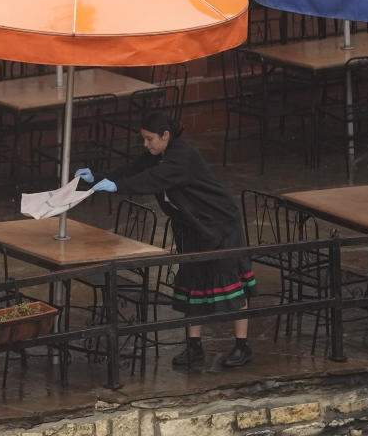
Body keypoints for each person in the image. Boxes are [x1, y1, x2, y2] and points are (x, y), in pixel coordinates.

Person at [75, 111, 255, 368]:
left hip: (220, 224)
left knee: (231, 282)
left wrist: (118, 187)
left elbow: (151, 180)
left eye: (149, 139)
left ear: (166, 136)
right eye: (144, 140)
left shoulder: (182, 157)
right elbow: (131, 170)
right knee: (193, 283)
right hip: (192, 227)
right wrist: (100, 177)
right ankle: (194, 347)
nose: (145, 145)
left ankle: (242, 346)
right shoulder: (156, 156)